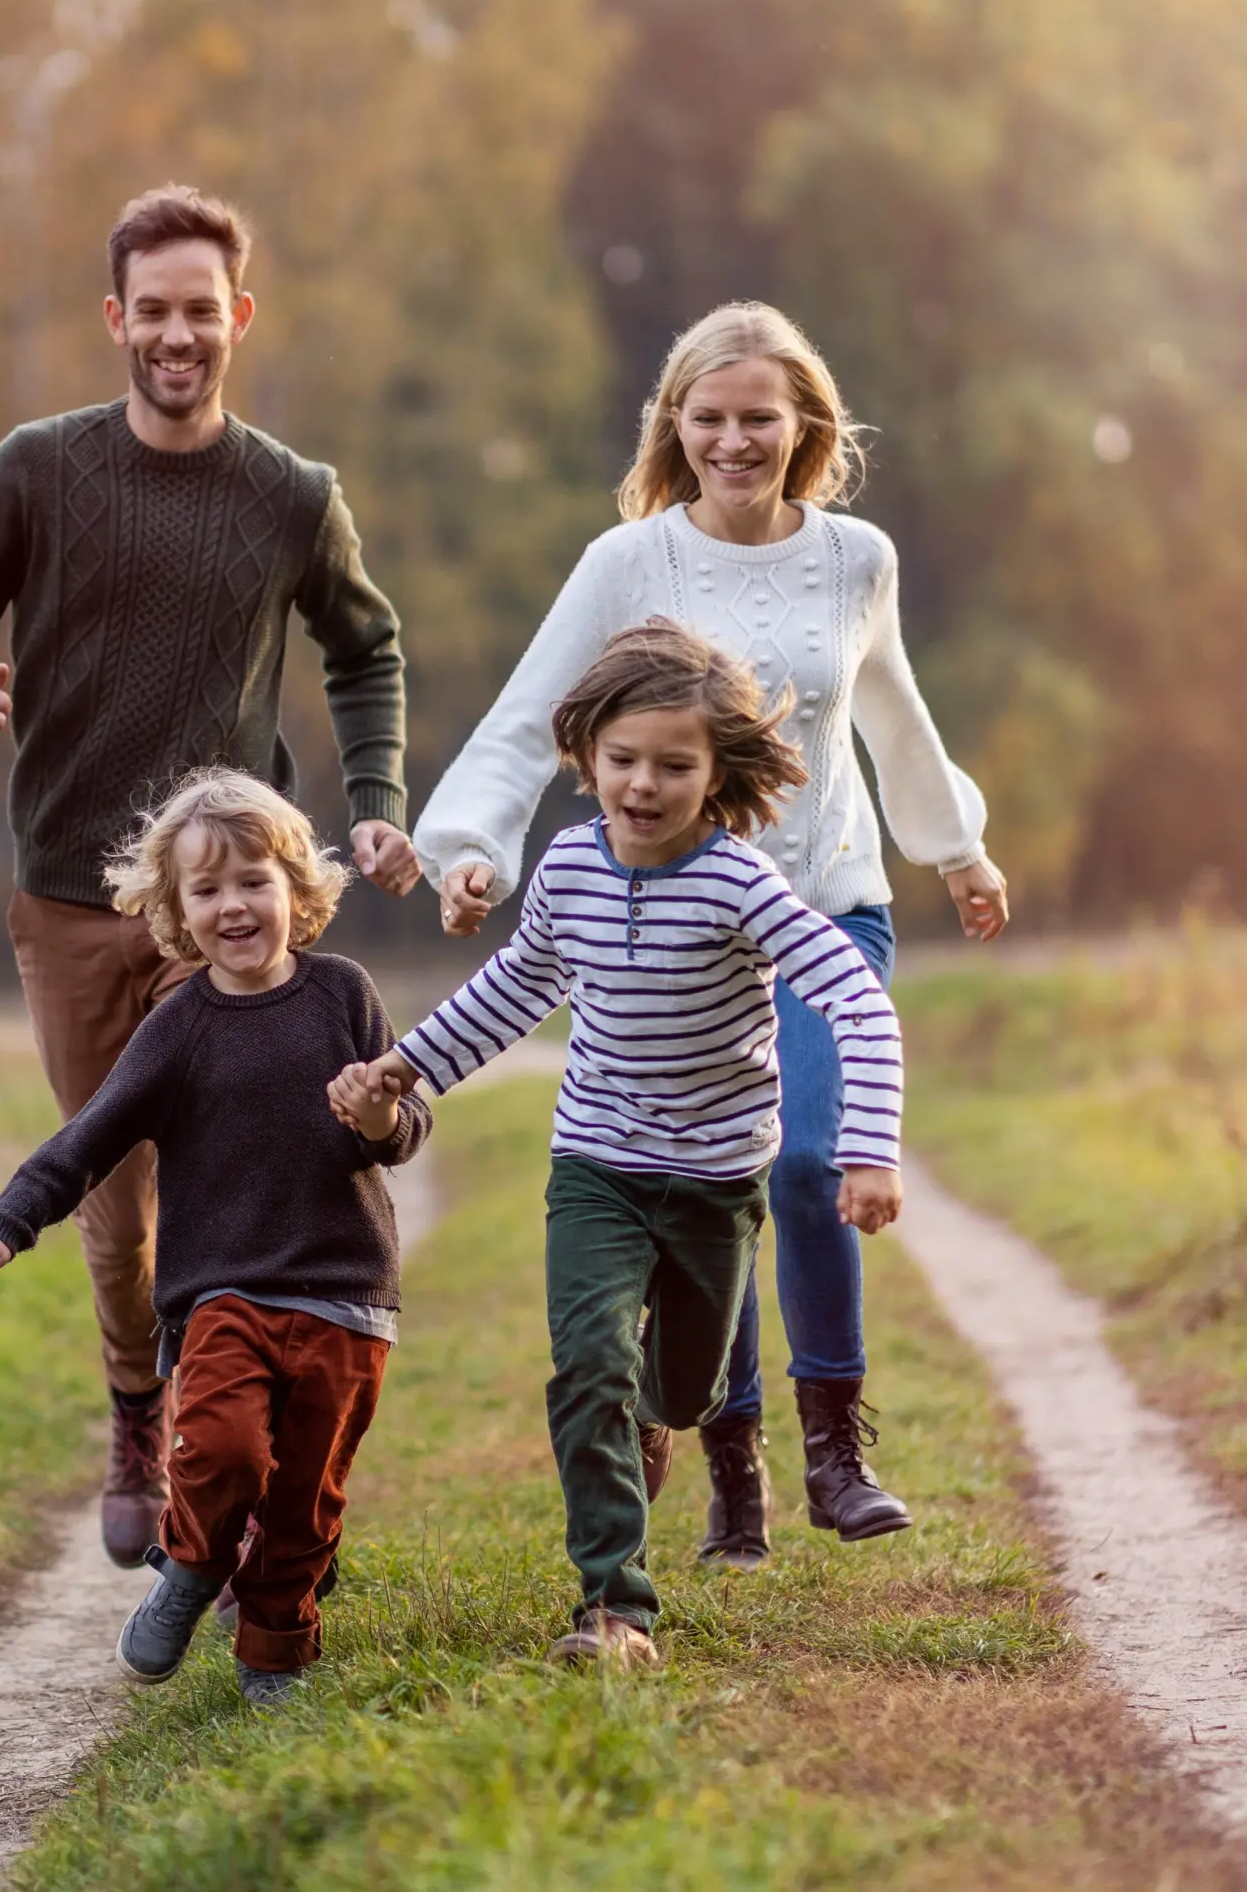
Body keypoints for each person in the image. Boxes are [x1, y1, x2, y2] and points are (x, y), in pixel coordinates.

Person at [410, 302, 1007, 1565]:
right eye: (710, 417)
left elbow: (891, 712)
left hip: (828, 899)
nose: (735, 440)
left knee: (804, 1159)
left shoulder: (858, 557)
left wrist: (956, 848)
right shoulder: (630, 561)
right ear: (674, 424)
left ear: (805, 427)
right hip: (681, 917)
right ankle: (734, 1464)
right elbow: (533, 715)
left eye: (759, 418)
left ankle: (836, 1444)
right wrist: (470, 847)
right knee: (709, 1178)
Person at [0, 184, 419, 1568]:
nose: (178, 334)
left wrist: (372, 804)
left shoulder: (293, 495)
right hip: (71, 892)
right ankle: (140, 1403)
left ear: (237, 318)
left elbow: (366, 648)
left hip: (225, 905)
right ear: (115, 318)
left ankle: (218, 1422)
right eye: (155, 310)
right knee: (116, 1197)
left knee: (238, 1176)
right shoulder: (36, 469)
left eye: (204, 310)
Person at [336, 623, 904, 1668]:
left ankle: (661, 1423)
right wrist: (404, 1067)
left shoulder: (740, 883)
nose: (644, 784)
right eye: (624, 758)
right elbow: (515, 988)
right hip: (596, 1163)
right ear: (586, 752)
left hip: (716, 1175)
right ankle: (615, 1607)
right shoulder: (567, 865)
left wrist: (868, 1147)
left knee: (680, 1392)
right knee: (588, 1363)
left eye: (675, 764)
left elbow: (856, 1002)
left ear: (717, 770)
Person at [0, 771, 428, 1708]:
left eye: (254, 879)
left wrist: (377, 1118)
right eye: (205, 890)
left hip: (347, 1295)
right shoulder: (180, 1027)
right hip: (223, 1294)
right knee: (222, 1451)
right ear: (175, 911)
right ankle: (193, 1569)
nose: (233, 905)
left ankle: (273, 1652)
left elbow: (407, 1131)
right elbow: (87, 1139)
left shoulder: (343, 994)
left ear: (298, 888)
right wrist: (4, 1226)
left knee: (306, 1500)